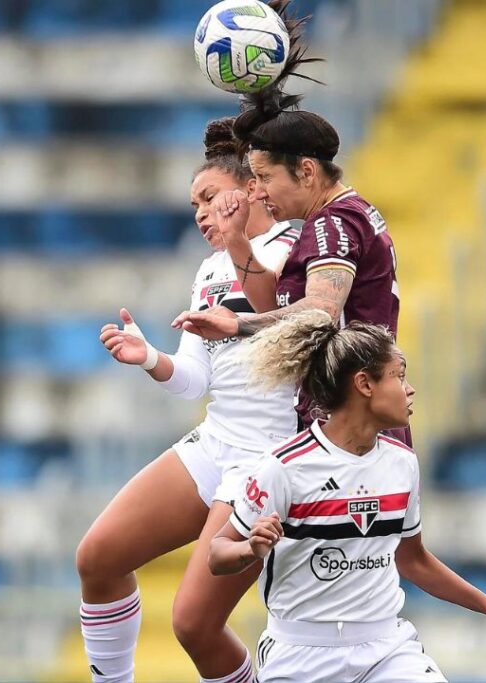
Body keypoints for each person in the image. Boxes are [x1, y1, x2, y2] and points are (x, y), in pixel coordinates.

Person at [207, 310, 486, 682]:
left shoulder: (402, 463)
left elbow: (414, 560)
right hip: (299, 654)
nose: (409, 390)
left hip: (386, 649)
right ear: (364, 384)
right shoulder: (282, 467)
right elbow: (217, 554)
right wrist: (250, 549)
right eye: (399, 377)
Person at [75, 111, 302, 683]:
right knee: (97, 558)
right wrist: (149, 357)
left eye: (208, 196)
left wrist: (239, 240)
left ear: (251, 187)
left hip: (271, 457)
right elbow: (195, 381)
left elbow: (284, 315)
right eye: (193, 206)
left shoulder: (296, 242)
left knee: (194, 625)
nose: (200, 213)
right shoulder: (208, 269)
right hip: (217, 440)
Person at [169, 39, 406, 442]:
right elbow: (277, 296)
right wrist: (238, 239)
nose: (257, 192)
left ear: (308, 171)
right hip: (351, 423)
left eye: (264, 178)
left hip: (348, 429)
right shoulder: (348, 216)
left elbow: (320, 311)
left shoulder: (331, 225)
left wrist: (236, 324)